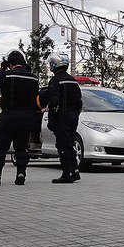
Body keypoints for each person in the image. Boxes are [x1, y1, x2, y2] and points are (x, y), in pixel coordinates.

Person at [0, 49, 39, 186]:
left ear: (10, 64)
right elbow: (35, 97)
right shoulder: (33, 78)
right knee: (21, 147)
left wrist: (1, 70)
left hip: (9, 115)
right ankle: (21, 175)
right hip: (26, 117)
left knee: (1, 147)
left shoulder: (6, 75)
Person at [38, 52, 82, 183]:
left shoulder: (55, 81)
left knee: (62, 144)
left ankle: (66, 174)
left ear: (54, 64)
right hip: (73, 115)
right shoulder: (73, 81)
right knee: (70, 142)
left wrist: (52, 117)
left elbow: (54, 100)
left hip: (62, 115)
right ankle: (75, 171)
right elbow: (79, 102)